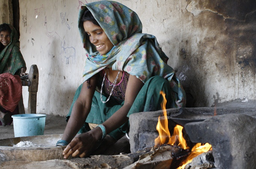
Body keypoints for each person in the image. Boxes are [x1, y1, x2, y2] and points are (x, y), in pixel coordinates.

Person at [57, 0, 186, 158]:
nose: (93, 40)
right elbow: (83, 102)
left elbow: (130, 104)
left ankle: (120, 140)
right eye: (89, 34)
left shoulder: (137, 49)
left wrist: (96, 134)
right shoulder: (96, 57)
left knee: (157, 85)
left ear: (115, 28)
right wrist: (63, 143)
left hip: (136, 112)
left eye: (98, 32)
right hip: (114, 113)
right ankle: (80, 143)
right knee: (81, 92)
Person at [0, 23, 27, 126]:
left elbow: (21, 64)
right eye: (1, 35)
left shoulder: (13, 48)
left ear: (12, 36)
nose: (4, 39)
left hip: (10, 76)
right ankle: (2, 115)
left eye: (7, 36)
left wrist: (21, 70)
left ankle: (3, 115)